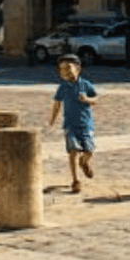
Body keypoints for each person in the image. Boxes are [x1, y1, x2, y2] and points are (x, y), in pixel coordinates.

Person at [45, 52, 98, 192]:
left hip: (86, 124)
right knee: (73, 151)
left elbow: (95, 99)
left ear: (78, 69)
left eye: (68, 68)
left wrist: (87, 99)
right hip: (70, 125)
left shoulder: (86, 84)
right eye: (62, 69)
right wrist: (52, 119)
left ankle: (84, 162)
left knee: (89, 151)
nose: (65, 72)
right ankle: (75, 180)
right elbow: (57, 104)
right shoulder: (62, 87)